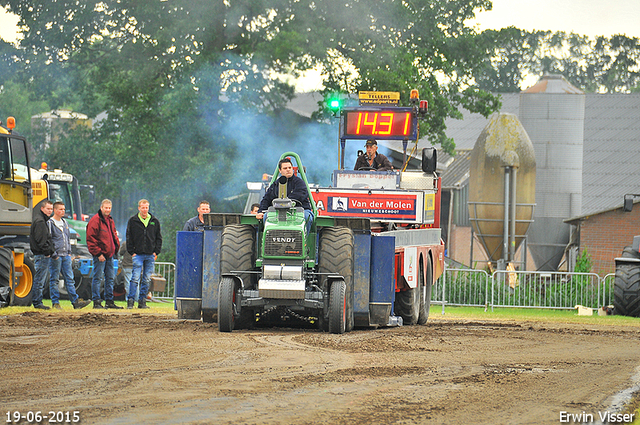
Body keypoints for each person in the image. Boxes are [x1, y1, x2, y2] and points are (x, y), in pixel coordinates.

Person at [47, 202, 91, 310]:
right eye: (60, 209)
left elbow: (67, 238)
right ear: (55, 210)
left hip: (66, 255)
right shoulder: (50, 223)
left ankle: (75, 302)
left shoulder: (65, 222)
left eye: (63, 209)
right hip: (56, 256)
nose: (63, 211)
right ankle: (55, 302)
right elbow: (48, 240)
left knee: (70, 279)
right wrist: (54, 254)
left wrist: (69, 253)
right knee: (54, 279)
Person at [256, 158, 313, 232]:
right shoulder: (275, 185)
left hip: (300, 210)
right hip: (278, 211)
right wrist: (260, 211)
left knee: (307, 217)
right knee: (265, 216)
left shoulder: (300, 183)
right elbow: (266, 199)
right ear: (280, 170)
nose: (288, 170)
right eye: (285, 168)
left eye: (290, 168)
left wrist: (284, 202)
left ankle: (305, 242)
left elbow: (300, 195)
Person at [86, 199, 122, 309]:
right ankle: (96, 301)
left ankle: (109, 301)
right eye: (106, 208)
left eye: (109, 208)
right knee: (97, 278)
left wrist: (115, 249)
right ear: (101, 207)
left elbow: (113, 236)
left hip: (110, 255)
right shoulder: (95, 220)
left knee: (110, 278)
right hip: (100, 255)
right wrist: (98, 254)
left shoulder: (110, 220)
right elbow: (91, 239)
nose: (107, 210)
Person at [126, 199, 162, 309]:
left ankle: (142, 302)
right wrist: (132, 252)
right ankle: (131, 301)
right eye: (143, 207)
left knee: (146, 279)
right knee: (135, 278)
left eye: (146, 207)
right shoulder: (133, 221)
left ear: (148, 208)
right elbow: (129, 237)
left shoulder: (154, 221)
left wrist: (156, 251)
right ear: (139, 208)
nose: (145, 210)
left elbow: (158, 238)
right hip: (138, 255)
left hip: (150, 254)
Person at [29, 199, 54, 310]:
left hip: (42, 254)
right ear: (42, 208)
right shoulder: (40, 221)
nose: (50, 211)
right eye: (48, 209)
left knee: (40, 279)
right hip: (42, 255)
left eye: (51, 209)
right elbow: (41, 239)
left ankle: (37, 301)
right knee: (39, 279)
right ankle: (37, 302)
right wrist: (47, 252)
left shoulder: (41, 220)